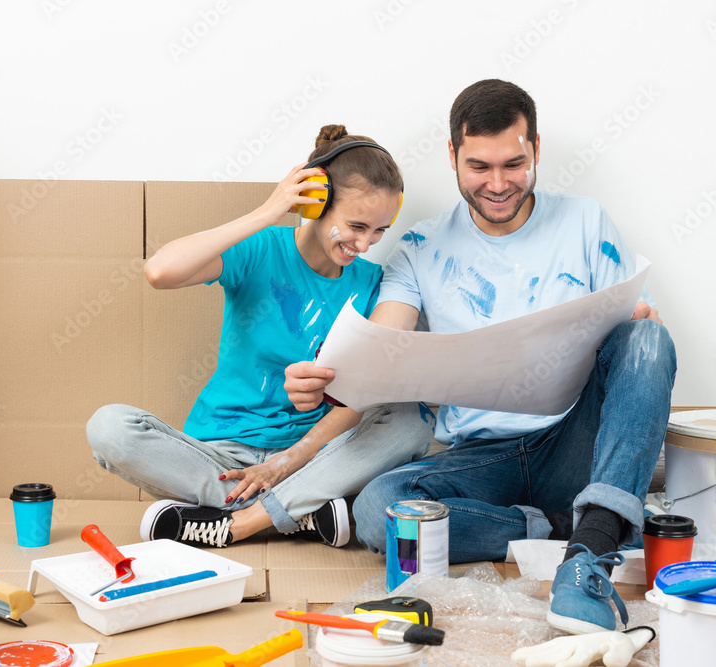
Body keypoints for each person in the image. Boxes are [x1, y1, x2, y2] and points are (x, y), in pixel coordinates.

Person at [284, 81, 676, 635]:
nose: (497, 184)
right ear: (451, 157)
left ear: (536, 149)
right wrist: (328, 381)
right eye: (479, 166)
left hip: (571, 442)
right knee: (379, 509)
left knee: (649, 341)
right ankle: (569, 524)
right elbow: (385, 345)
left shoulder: (586, 222)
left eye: (514, 163)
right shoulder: (420, 246)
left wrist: (640, 321)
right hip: (479, 460)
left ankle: (588, 556)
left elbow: (637, 327)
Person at [86, 125, 436, 551]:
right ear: (315, 203)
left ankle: (238, 523)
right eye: (357, 225)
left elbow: (361, 400)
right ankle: (304, 516)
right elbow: (161, 272)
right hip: (223, 456)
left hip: (315, 458)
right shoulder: (260, 248)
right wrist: (268, 212)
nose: (365, 244)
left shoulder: (374, 285)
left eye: (379, 231)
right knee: (109, 427)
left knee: (411, 419)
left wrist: (290, 462)